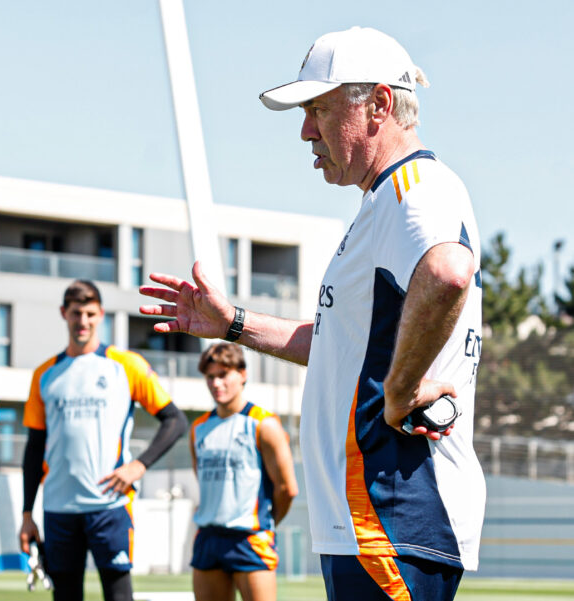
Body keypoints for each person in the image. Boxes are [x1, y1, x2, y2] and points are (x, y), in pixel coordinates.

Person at [141, 26, 484, 601]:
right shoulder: (387, 201)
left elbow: (449, 271)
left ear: (379, 104)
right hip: (371, 521)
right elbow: (338, 344)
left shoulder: (414, 187)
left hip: (388, 513)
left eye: (319, 110)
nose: (305, 131)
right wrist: (233, 324)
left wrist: (398, 392)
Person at [18, 280, 188, 601]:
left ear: (101, 315)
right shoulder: (45, 374)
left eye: (90, 314)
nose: (83, 321)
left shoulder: (126, 365)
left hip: (109, 505)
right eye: (75, 313)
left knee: (119, 596)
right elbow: (33, 449)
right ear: (63, 314)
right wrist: (27, 514)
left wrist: (138, 466)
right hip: (59, 507)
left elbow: (175, 421)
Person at [190, 343, 297, 601]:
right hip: (208, 536)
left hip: (250, 539)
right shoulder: (198, 428)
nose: (216, 383)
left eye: (223, 374)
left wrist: (263, 525)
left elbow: (288, 489)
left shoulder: (264, 424)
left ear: (242, 374)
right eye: (210, 377)